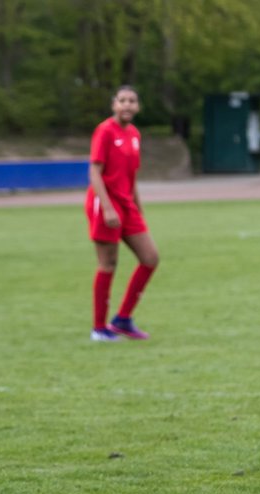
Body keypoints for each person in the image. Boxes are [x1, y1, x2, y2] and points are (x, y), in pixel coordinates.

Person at [87, 85, 160, 341]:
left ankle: (122, 319)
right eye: (122, 101)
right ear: (114, 105)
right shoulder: (105, 130)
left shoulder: (134, 134)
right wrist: (106, 207)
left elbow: (132, 177)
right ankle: (99, 328)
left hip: (127, 205)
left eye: (132, 101)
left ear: (137, 106)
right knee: (108, 263)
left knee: (150, 257)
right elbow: (95, 171)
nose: (127, 105)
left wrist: (138, 210)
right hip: (106, 203)